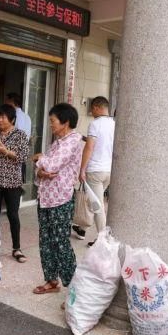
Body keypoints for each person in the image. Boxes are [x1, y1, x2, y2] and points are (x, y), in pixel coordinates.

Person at [32, 103, 83, 294]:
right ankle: (52, 281)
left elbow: (51, 165)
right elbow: (42, 171)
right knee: (46, 241)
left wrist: (39, 158)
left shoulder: (73, 141)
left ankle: (75, 290)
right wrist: (41, 169)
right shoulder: (57, 143)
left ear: (65, 122)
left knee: (61, 244)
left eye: (53, 121)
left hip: (60, 200)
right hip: (45, 198)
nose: (51, 125)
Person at [0, 104, 30, 263]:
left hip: (12, 181)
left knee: (13, 214)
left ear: (12, 119)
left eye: (3, 117)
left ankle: (16, 248)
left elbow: (23, 157)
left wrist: (6, 151)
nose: (0, 120)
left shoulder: (21, 135)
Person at [73, 96, 115, 247]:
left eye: (92, 108)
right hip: (109, 171)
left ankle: (103, 240)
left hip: (95, 171)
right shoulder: (114, 123)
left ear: (97, 107)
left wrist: (82, 169)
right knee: (94, 201)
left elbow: (89, 148)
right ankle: (82, 228)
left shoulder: (95, 124)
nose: (91, 111)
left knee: (97, 206)